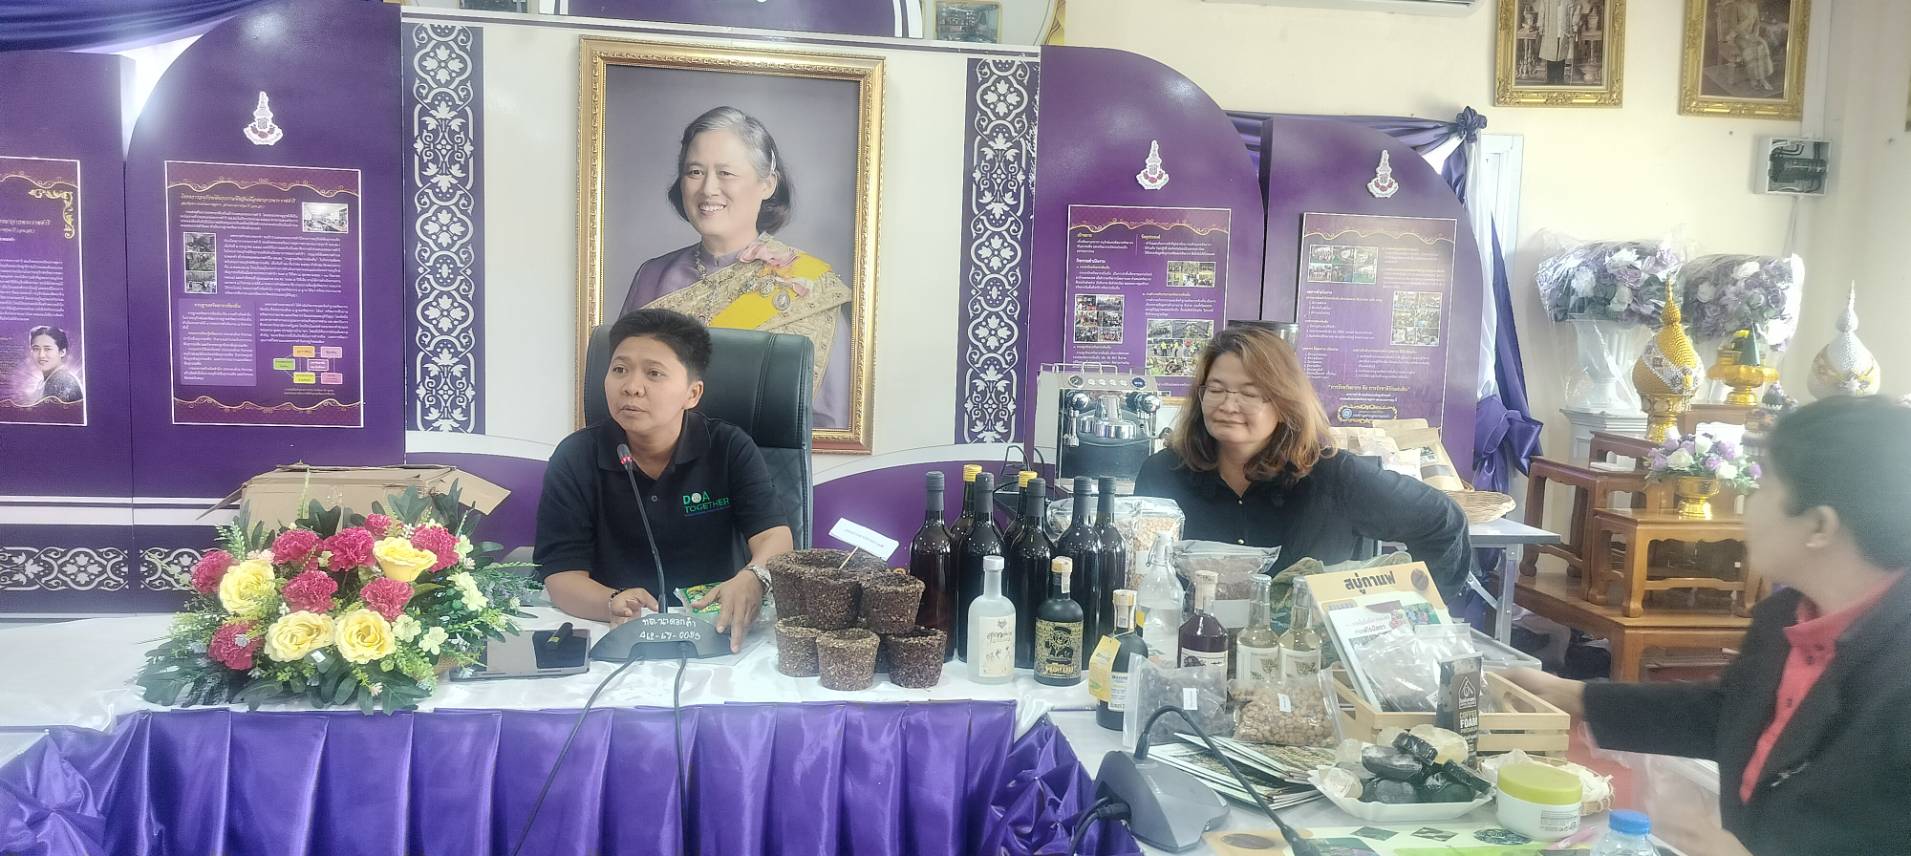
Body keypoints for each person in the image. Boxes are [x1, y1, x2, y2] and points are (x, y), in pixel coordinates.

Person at [1508, 396, 1911, 856]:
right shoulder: (1785, 616)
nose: (1747, 509)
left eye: (1765, 489)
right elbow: (1730, 714)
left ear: (1819, 525)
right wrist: (1571, 696)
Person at [1133, 325, 1473, 598]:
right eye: (1216, 389)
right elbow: (1138, 572)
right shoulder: (1164, 474)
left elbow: (1442, 522)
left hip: (1305, 657)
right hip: (1189, 651)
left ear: (1285, 404)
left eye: (1249, 393)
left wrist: (1412, 614)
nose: (1228, 405)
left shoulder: (1334, 476)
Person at [534, 308, 793, 651]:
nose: (631, 387)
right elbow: (562, 574)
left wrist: (754, 578)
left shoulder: (729, 447)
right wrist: (610, 602)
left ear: (692, 394)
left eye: (654, 373)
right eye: (619, 369)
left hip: (717, 630)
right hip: (617, 634)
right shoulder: (576, 456)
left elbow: (774, 535)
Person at [622, 106, 853, 431]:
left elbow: (833, 427)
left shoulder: (810, 287)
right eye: (694, 172)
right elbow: (620, 396)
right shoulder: (651, 276)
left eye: (726, 173)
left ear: (767, 184)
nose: (708, 189)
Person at [25, 326, 82, 404]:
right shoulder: (41, 382)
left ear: (62, 352)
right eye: (36, 349)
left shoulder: (64, 381)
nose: (41, 355)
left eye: (47, 349)